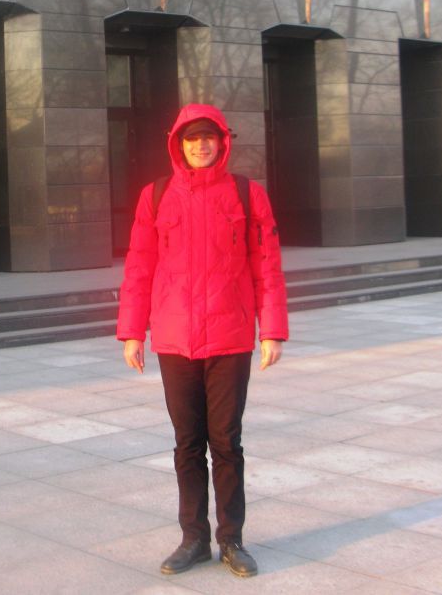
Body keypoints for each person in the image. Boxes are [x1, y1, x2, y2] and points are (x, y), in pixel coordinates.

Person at [117, 103, 289, 578]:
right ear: (178, 144)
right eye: (191, 138)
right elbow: (139, 265)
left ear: (222, 142)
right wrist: (132, 331)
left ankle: (231, 539)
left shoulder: (247, 194)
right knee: (187, 443)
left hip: (230, 337)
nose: (200, 145)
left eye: (208, 137)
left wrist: (272, 329)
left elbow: (267, 265)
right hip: (175, 340)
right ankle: (193, 538)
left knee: (226, 442)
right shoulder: (155, 195)